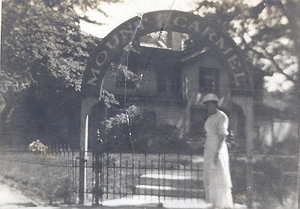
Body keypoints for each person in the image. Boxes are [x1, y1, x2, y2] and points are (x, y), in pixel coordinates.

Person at [201, 94, 233, 209]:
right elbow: (209, 134)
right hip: (209, 146)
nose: (208, 107)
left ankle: (221, 203)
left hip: (217, 147)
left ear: (215, 104)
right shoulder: (210, 118)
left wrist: (217, 152)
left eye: (210, 104)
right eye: (206, 105)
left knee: (219, 174)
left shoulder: (221, 116)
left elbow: (222, 135)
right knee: (210, 174)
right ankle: (214, 202)